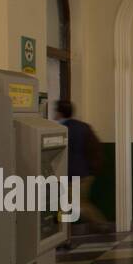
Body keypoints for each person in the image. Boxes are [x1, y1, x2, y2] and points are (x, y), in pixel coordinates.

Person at [56, 100, 106, 241]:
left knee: (72, 204)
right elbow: (96, 150)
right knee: (74, 203)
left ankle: (63, 236)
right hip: (85, 173)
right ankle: (63, 235)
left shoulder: (60, 129)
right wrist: (93, 170)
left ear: (59, 112)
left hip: (70, 174)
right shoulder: (84, 127)